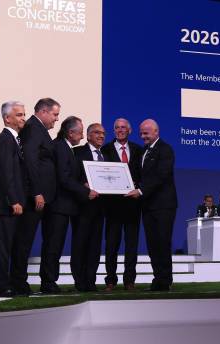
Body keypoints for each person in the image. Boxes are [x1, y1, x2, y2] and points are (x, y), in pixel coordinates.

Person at [11, 97, 59, 296]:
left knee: (27, 240)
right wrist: (37, 191)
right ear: (43, 112)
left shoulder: (38, 129)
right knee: (24, 241)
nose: (56, 119)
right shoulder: (33, 128)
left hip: (43, 196)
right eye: (55, 115)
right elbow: (29, 160)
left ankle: (24, 282)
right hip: (34, 197)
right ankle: (18, 283)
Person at [40, 116, 93, 294]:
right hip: (58, 206)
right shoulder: (61, 147)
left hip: (63, 206)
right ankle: (48, 283)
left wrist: (82, 184)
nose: (83, 137)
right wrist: (85, 191)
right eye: (80, 132)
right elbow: (64, 178)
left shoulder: (65, 147)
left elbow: (68, 176)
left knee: (55, 245)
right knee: (53, 245)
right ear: (70, 133)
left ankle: (49, 281)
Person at [126, 119, 177, 291]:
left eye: (146, 133)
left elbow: (161, 176)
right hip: (147, 206)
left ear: (156, 131)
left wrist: (140, 191)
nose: (143, 136)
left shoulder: (165, 150)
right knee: (152, 244)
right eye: (141, 133)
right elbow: (142, 177)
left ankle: (165, 280)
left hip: (163, 206)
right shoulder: (144, 152)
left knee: (162, 243)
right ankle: (158, 278)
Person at [0, 101, 27, 298]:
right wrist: (13, 200)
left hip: (8, 203)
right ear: (7, 118)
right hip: (4, 205)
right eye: (19, 115)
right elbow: (5, 173)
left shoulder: (13, 140)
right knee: (2, 247)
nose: (23, 118)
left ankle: (5, 284)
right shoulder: (5, 140)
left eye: (23, 114)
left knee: (7, 246)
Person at [100, 118, 143, 291]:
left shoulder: (139, 151)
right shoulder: (105, 150)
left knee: (131, 245)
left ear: (130, 130)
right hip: (112, 206)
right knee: (111, 245)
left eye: (123, 127)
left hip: (133, 205)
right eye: (117, 127)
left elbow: (143, 174)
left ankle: (129, 281)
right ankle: (110, 280)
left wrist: (137, 186)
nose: (120, 130)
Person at [72, 123, 106, 292]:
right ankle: (80, 282)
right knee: (80, 245)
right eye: (97, 133)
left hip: (100, 208)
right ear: (88, 135)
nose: (101, 136)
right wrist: (83, 187)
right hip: (82, 207)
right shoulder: (77, 152)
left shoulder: (106, 155)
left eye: (103, 133)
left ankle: (91, 281)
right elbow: (70, 177)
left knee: (95, 247)